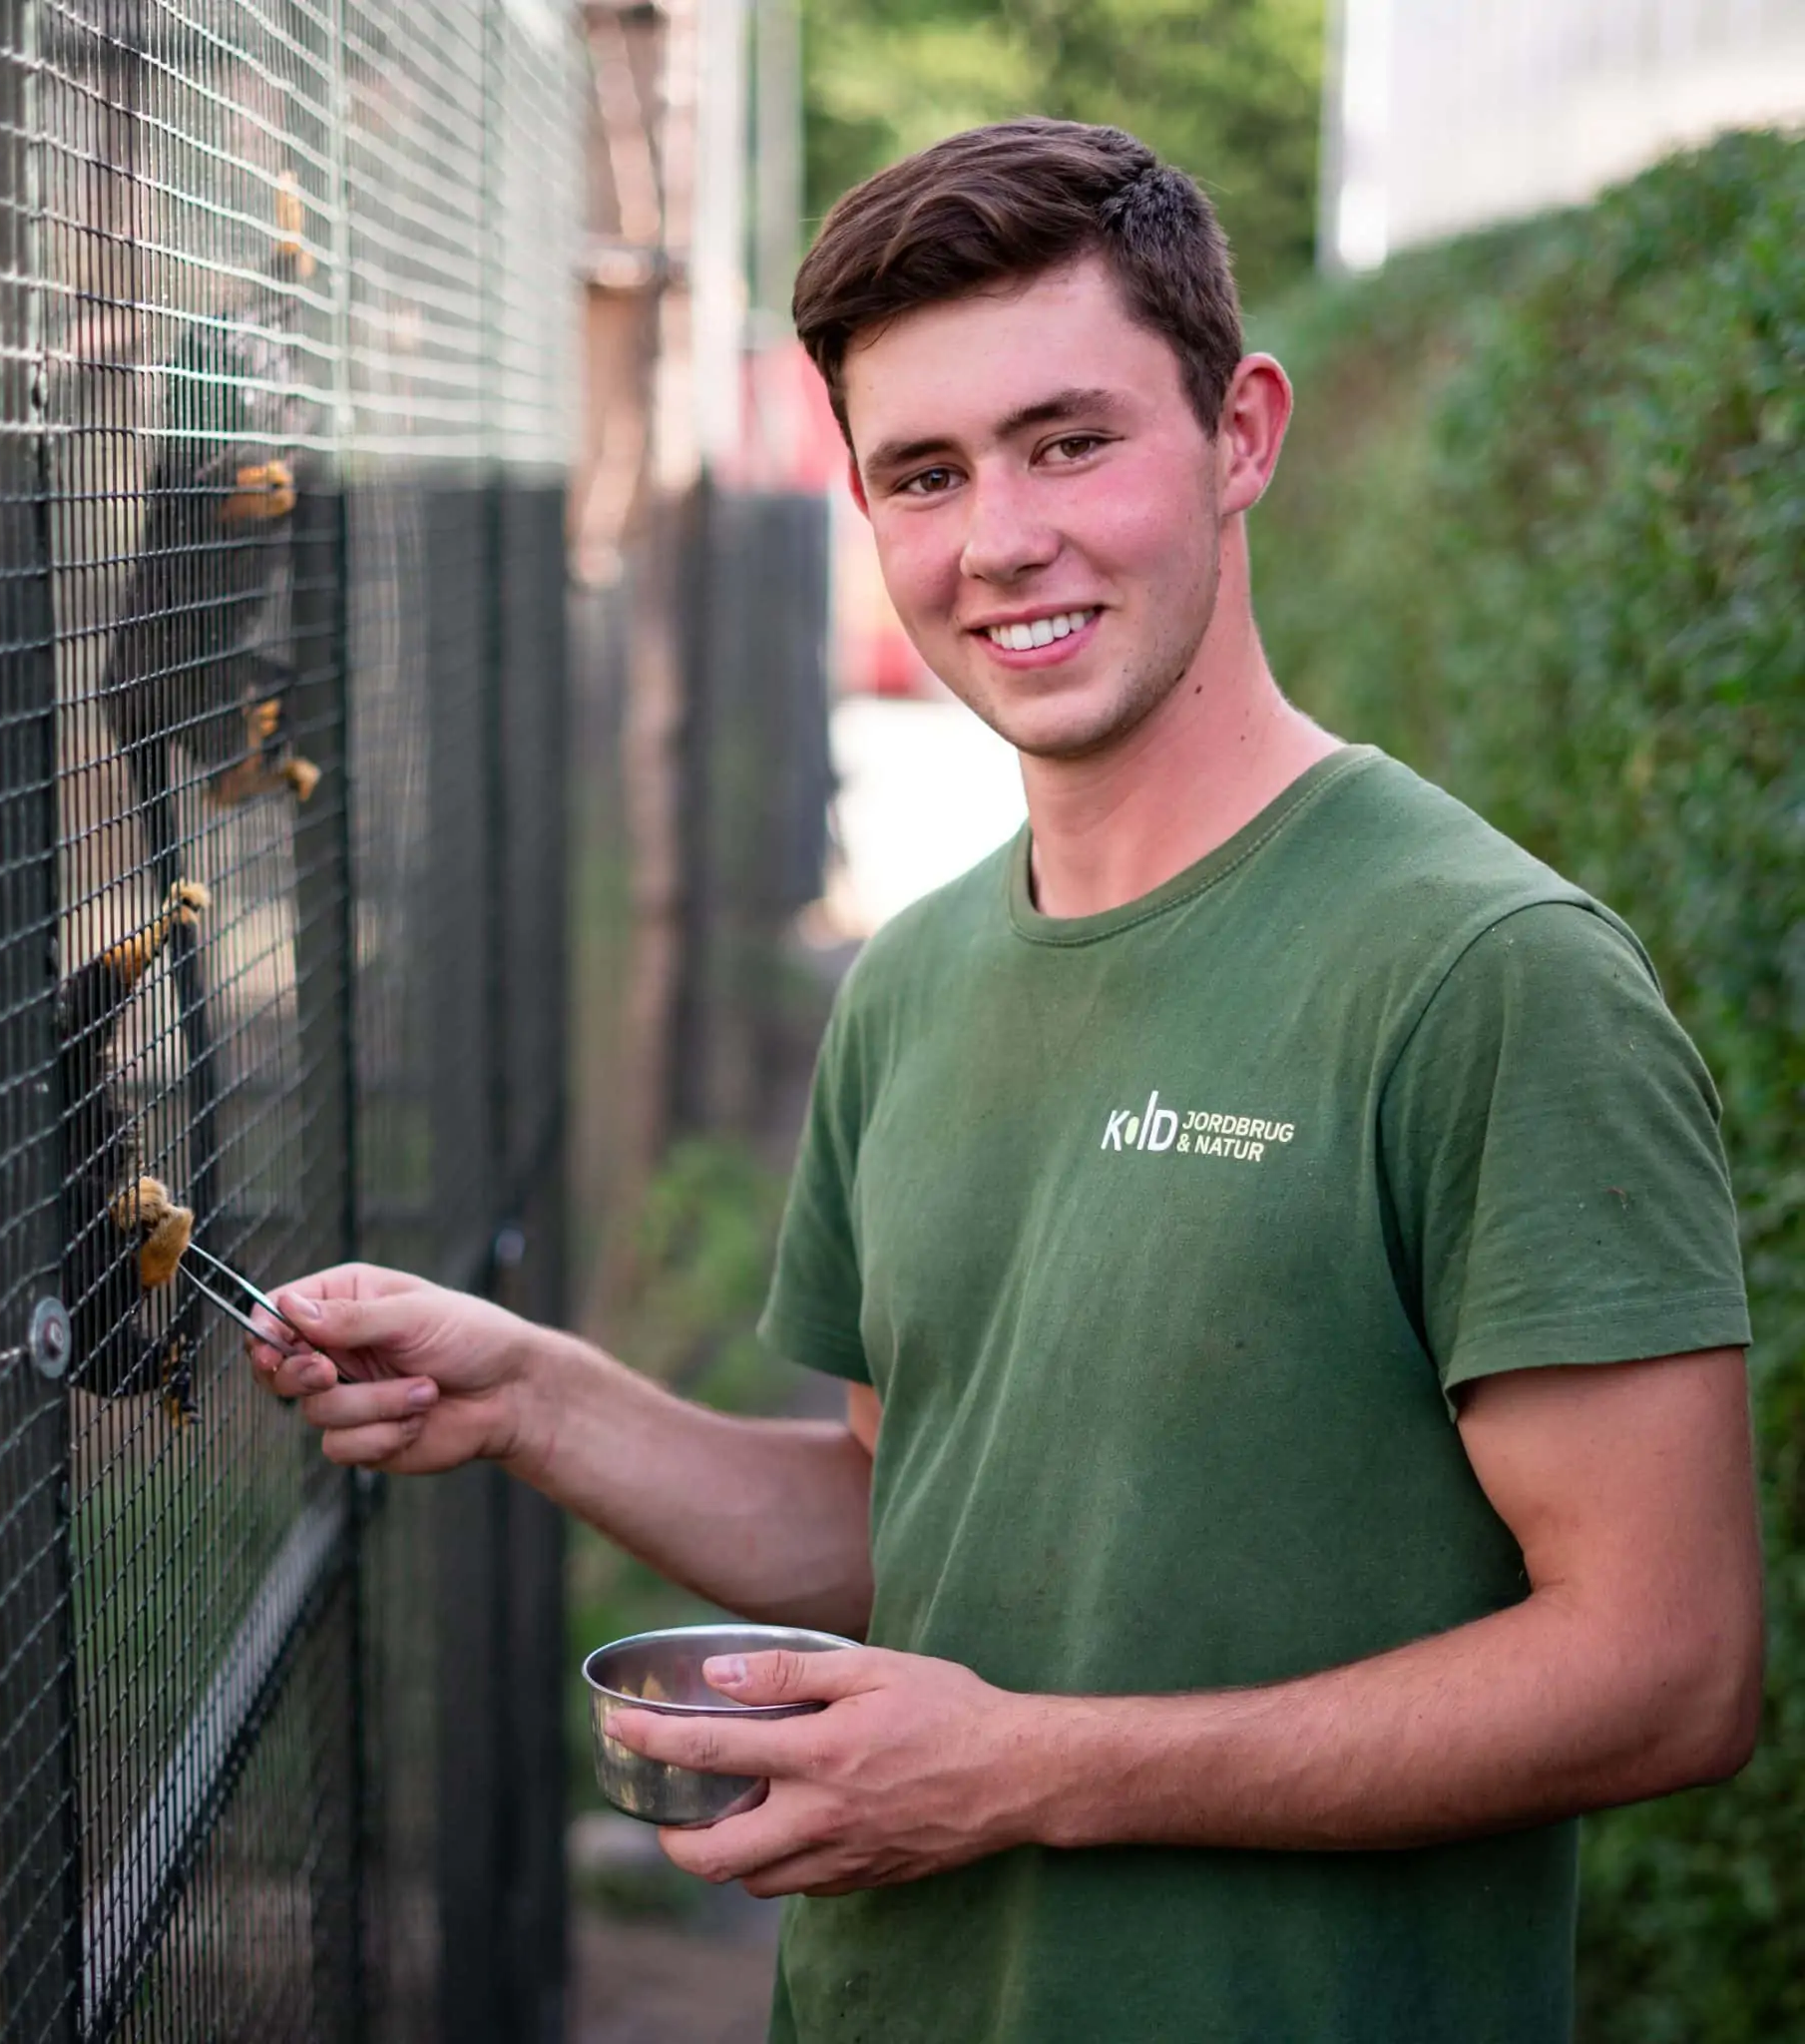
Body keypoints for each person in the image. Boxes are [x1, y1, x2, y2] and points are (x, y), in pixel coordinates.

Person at [250, 120, 1762, 2044]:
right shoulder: (916, 977)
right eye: (927, 474)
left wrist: (1028, 1771)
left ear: (1241, 436)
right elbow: (909, 1522)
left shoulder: (1489, 977)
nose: (1000, 542)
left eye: (1070, 442)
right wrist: (532, 1396)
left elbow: (1668, 1667)